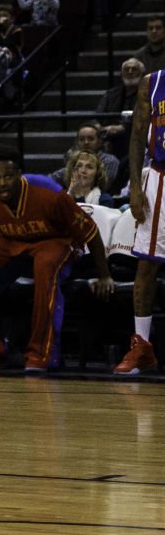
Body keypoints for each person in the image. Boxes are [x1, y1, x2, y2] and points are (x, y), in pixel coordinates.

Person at [0, 145, 114, 373]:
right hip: (13, 240)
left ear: (19, 174)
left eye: (8, 176)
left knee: (45, 266)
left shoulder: (49, 193)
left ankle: (42, 352)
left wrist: (104, 275)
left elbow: (91, 232)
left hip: (56, 240)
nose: (2, 183)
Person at [114, 58, 165, 375]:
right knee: (147, 263)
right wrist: (135, 185)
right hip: (160, 177)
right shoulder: (153, 82)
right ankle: (142, 346)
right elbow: (136, 136)